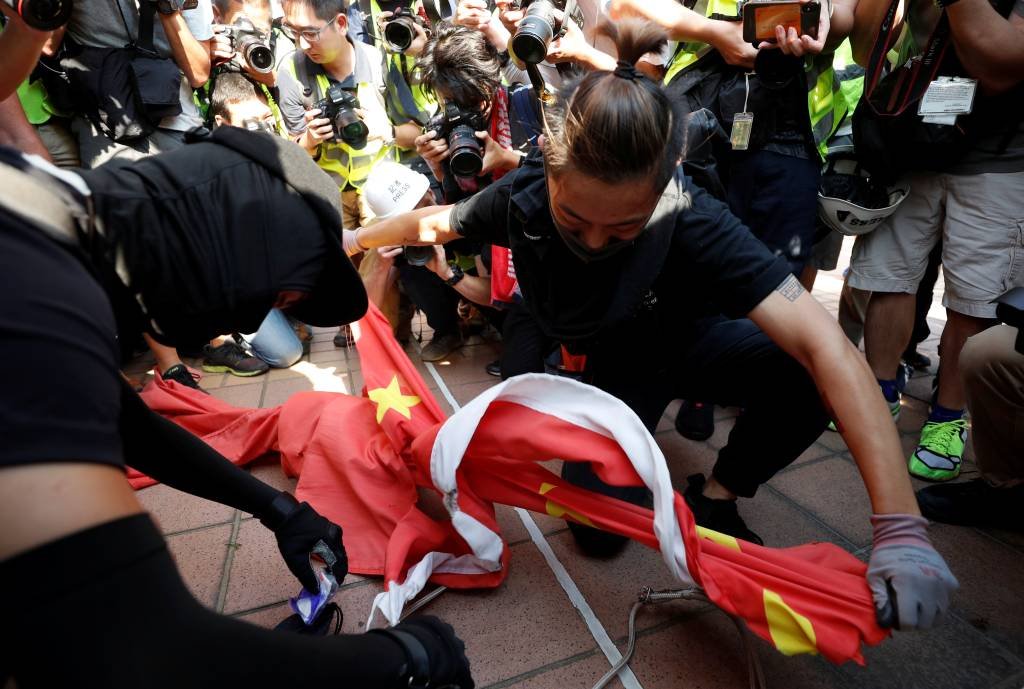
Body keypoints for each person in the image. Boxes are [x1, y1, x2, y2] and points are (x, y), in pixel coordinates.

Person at [346, 18, 958, 630]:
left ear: (662, 186)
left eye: (623, 228)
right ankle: (627, 435)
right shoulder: (524, 193)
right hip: (607, 371)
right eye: (575, 218)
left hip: (690, 344)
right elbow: (436, 222)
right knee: (599, 534)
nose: (593, 242)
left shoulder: (695, 216)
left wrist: (900, 526)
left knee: (803, 372)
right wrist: (354, 238)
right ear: (550, 174)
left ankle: (718, 494)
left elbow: (830, 349)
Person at [0, 129, 473, 688]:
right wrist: (407, 656)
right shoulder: (29, 287)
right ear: (229, 240)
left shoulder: (48, 228)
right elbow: (137, 646)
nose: (249, 326)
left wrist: (277, 509)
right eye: (273, 298)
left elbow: (128, 426)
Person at [847, 0, 1024, 482]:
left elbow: (1002, 63)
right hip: (912, 139)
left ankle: (948, 419)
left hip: (999, 158)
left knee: (976, 299)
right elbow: (867, 50)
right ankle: (878, 392)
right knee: (890, 277)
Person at [277, 0, 423, 342]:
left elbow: (417, 133)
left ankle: (382, 347)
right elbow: (291, 156)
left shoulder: (380, 61)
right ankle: (367, 324)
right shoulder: (292, 72)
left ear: (341, 23)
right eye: (293, 33)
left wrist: (383, 129)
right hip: (328, 191)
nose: (302, 44)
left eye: (310, 33)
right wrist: (310, 140)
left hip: (380, 188)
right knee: (345, 271)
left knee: (380, 263)